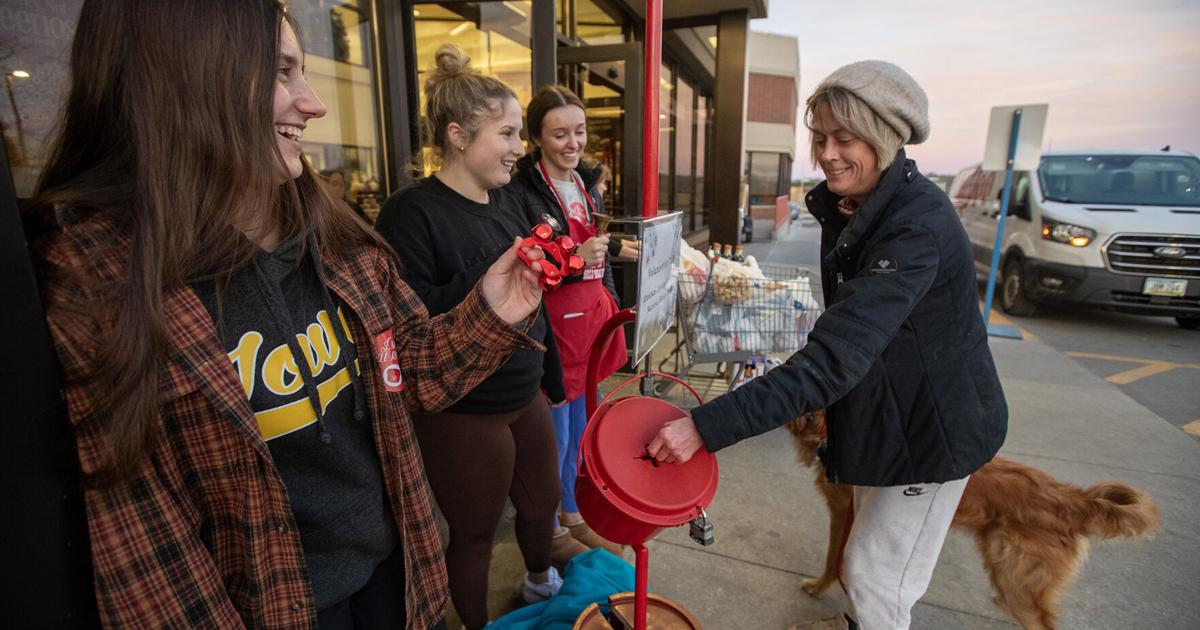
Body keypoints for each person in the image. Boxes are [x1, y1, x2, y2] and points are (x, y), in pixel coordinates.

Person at [26, 3, 547, 628]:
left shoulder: (331, 232)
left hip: (399, 578)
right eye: (281, 72)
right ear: (187, 76)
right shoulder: (100, 279)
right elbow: (146, 556)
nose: (314, 104)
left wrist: (492, 311)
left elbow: (408, 372)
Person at [648, 60, 1008, 630]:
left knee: (876, 574)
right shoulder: (862, 204)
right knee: (864, 555)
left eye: (845, 139)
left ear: (885, 137)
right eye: (819, 139)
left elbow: (835, 357)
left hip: (933, 429)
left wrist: (704, 427)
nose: (828, 154)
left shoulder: (913, 226)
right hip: (893, 415)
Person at [374, 45, 565, 630]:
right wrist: (492, 275)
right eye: (507, 133)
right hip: (462, 408)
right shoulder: (410, 212)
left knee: (543, 504)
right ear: (458, 136)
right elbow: (409, 315)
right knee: (475, 533)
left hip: (524, 391)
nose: (519, 147)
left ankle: (540, 585)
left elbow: (535, 299)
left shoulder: (508, 201)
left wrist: (553, 376)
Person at [505, 85, 632, 564]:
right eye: (559, 134)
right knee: (554, 435)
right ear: (537, 137)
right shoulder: (521, 193)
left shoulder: (586, 183)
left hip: (590, 321)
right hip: (554, 326)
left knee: (582, 428)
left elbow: (597, 250)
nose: (573, 143)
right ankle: (554, 525)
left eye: (579, 131)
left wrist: (610, 295)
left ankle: (575, 513)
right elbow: (527, 262)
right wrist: (578, 257)